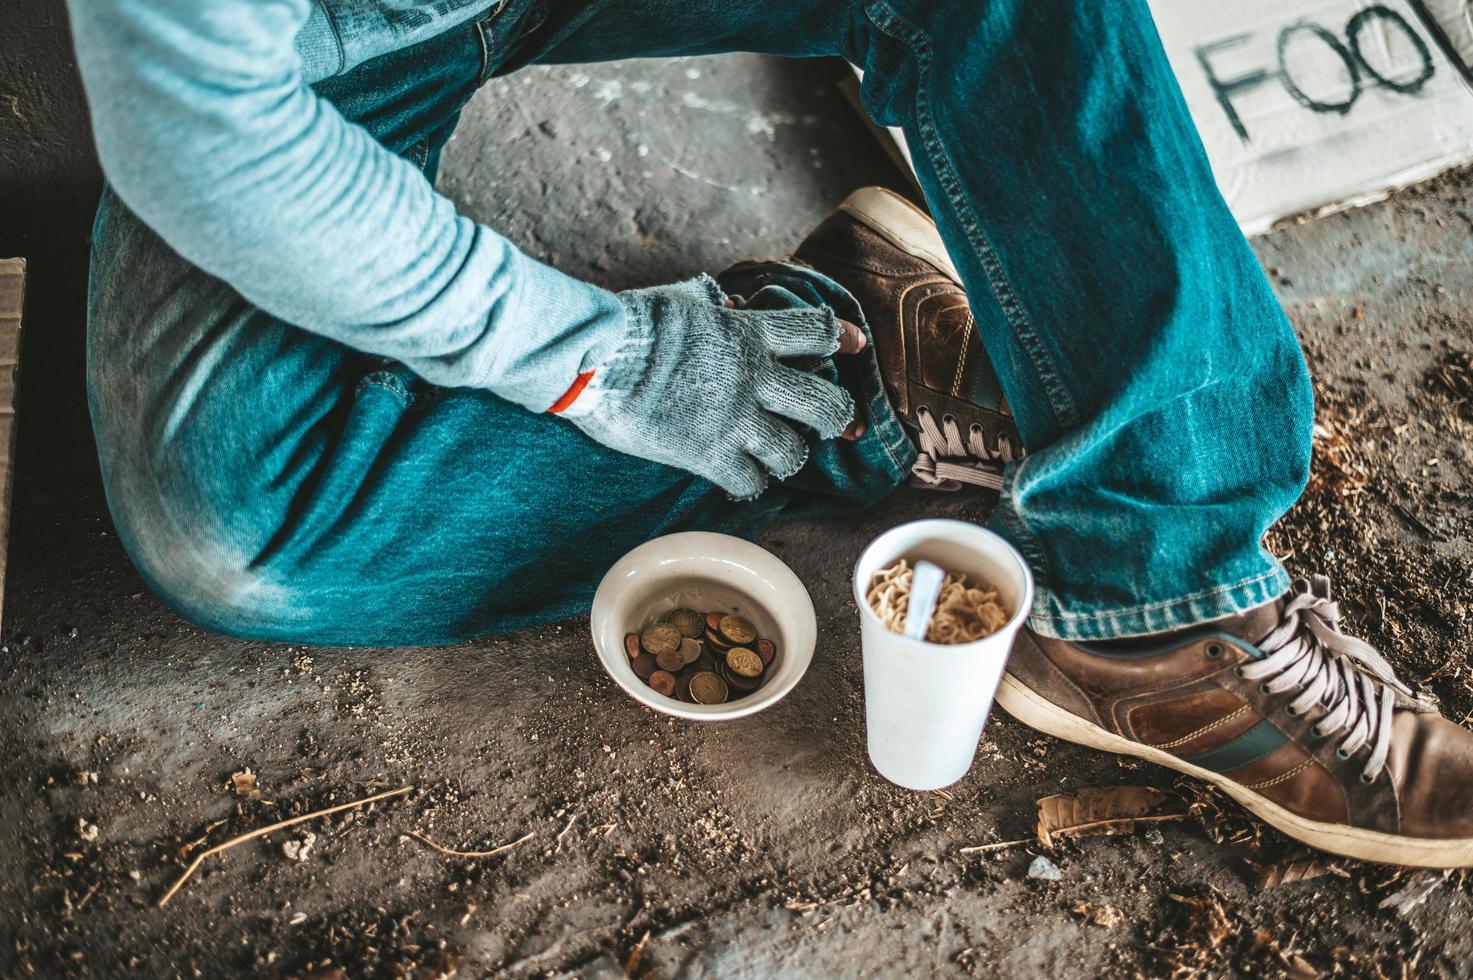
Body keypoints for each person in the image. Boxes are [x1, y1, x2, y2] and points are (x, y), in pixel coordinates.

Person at [69, 0, 1473, 866]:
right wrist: (604, 362)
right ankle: (853, 357)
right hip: (329, 46)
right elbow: (205, 133)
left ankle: (1158, 592)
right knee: (239, 528)